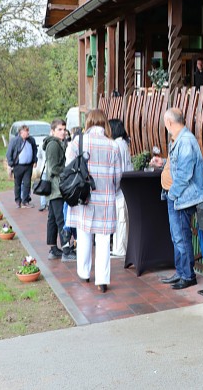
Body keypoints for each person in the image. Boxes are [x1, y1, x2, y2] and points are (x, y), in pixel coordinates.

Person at [150, 108, 203, 290]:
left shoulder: (185, 140)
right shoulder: (180, 139)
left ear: (169, 122)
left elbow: (185, 174)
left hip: (182, 198)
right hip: (179, 197)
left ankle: (187, 275)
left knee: (181, 237)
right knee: (178, 236)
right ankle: (181, 272)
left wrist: (172, 193)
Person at [65, 109, 121, 293]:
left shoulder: (77, 142)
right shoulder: (113, 145)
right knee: (104, 239)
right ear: (104, 123)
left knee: (84, 235)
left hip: (83, 196)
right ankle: (102, 280)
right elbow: (117, 176)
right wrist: (112, 189)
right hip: (105, 197)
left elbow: (69, 168)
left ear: (88, 122)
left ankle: (84, 272)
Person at [42, 119, 74, 261]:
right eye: (60, 129)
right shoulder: (54, 145)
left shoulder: (55, 143)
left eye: (64, 129)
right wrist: (68, 169)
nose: (63, 132)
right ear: (53, 131)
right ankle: (66, 249)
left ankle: (53, 248)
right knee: (61, 218)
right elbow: (53, 168)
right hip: (56, 188)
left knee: (53, 219)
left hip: (55, 187)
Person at [109, 119, 133, 258]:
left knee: (121, 219)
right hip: (125, 186)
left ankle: (120, 248)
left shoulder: (117, 145)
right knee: (122, 218)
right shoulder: (123, 143)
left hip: (120, 188)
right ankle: (120, 247)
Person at [6, 125, 38, 208]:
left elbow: (35, 150)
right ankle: (18, 201)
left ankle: (25, 201)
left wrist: (35, 160)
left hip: (28, 166)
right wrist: (11, 164)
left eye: (28, 131)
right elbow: (9, 152)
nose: (28, 133)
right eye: (26, 131)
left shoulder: (31, 140)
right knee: (18, 184)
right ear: (21, 132)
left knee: (27, 183)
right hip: (18, 166)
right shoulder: (15, 141)